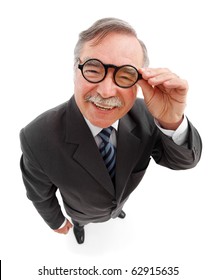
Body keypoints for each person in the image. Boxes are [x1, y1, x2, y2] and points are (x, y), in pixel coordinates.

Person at [19, 17, 202, 245]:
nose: (106, 92)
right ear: (75, 70)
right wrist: (56, 221)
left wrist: (172, 121)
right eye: (94, 70)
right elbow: (39, 194)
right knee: (81, 221)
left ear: (139, 82)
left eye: (125, 76)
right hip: (81, 213)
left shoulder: (147, 116)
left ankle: (116, 213)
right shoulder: (37, 137)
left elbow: (183, 162)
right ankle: (80, 226)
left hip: (120, 203)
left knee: (116, 209)